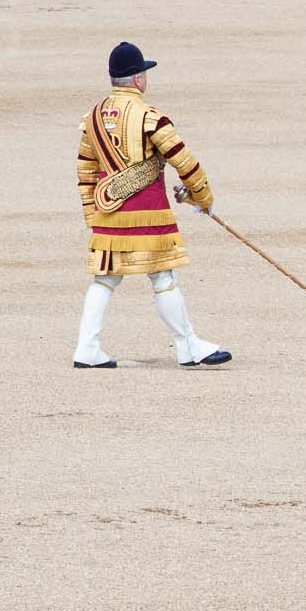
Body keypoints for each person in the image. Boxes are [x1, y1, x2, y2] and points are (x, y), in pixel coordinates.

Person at [72, 43, 228, 369]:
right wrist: (204, 200)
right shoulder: (150, 117)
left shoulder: (92, 118)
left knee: (104, 279)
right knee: (163, 279)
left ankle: (87, 349)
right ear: (139, 79)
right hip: (149, 214)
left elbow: (85, 171)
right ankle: (189, 347)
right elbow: (186, 163)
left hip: (107, 217)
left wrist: (93, 216)